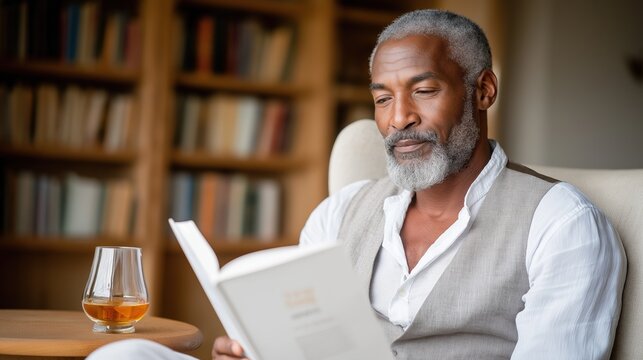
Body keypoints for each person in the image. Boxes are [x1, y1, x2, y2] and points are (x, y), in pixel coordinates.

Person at [89, 9, 626, 360]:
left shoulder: (561, 222)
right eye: (383, 98)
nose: (399, 119)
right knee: (126, 355)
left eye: (424, 90)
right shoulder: (342, 211)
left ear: (483, 90)